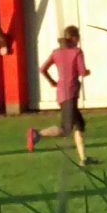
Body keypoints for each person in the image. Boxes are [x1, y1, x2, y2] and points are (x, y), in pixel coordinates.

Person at [26, 25, 96, 167]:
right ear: (75, 38)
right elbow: (82, 72)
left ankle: (84, 159)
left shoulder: (56, 52)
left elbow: (42, 69)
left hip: (62, 94)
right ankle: (36, 134)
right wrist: (87, 72)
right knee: (65, 129)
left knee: (80, 124)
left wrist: (53, 82)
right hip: (70, 94)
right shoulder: (77, 52)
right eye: (78, 37)